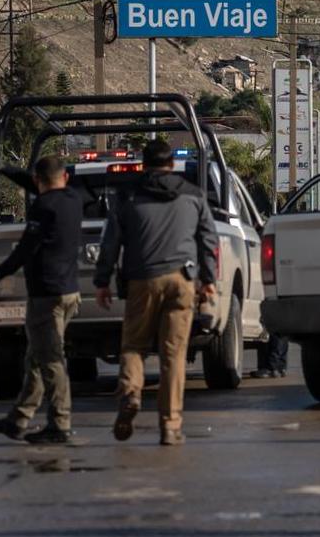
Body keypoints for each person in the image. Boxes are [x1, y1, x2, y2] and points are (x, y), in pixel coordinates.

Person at [94, 139, 218, 446]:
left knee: (134, 346)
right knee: (173, 355)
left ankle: (131, 395)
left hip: (142, 280)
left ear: (143, 163)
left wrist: (102, 280)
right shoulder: (193, 195)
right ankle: (170, 426)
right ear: (171, 164)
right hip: (182, 281)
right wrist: (209, 279)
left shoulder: (128, 196)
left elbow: (111, 241)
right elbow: (208, 239)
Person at [0, 155, 83, 444]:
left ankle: (60, 424)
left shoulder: (43, 207)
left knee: (50, 360)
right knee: (35, 358)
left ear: (38, 182)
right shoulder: (73, 200)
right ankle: (18, 419)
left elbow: (24, 250)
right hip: (69, 293)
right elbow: (41, 184)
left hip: (46, 295)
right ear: (65, 178)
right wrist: (10, 171)